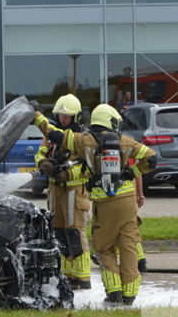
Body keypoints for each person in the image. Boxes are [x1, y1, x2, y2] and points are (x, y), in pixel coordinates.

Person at [45, 103, 156, 305]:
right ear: (112, 121)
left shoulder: (83, 141)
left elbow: (54, 135)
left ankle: (114, 293)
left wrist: (35, 116)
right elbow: (152, 159)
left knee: (104, 249)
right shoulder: (126, 141)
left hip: (104, 205)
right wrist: (131, 173)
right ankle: (130, 294)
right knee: (129, 247)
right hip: (127, 203)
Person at [33, 94, 92, 289]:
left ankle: (82, 278)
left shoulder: (82, 137)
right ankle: (67, 275)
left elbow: (87, 169)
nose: (62, 119)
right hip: (54, 189)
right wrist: (43, 162)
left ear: (76, 117)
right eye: (60, 115)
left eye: (67, 116)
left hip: (75, 190)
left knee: (74, 231)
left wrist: (65, 174)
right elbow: (41, 152)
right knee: (58, 231)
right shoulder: (52, 136)